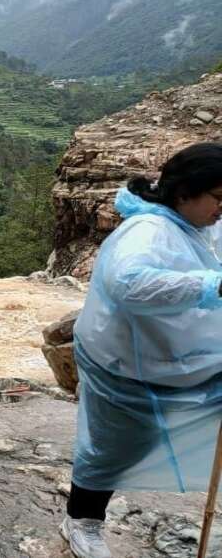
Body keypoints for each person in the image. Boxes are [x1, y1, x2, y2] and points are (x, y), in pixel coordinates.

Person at [60, 143, 222, 558]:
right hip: (130, 363)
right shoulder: (147, 232)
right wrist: (210, 286)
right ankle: (82, 522)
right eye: (219, 198)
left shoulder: (201, 223)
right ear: (184, 193)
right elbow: (129, 283)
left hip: (189, 354)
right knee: (116, 447)